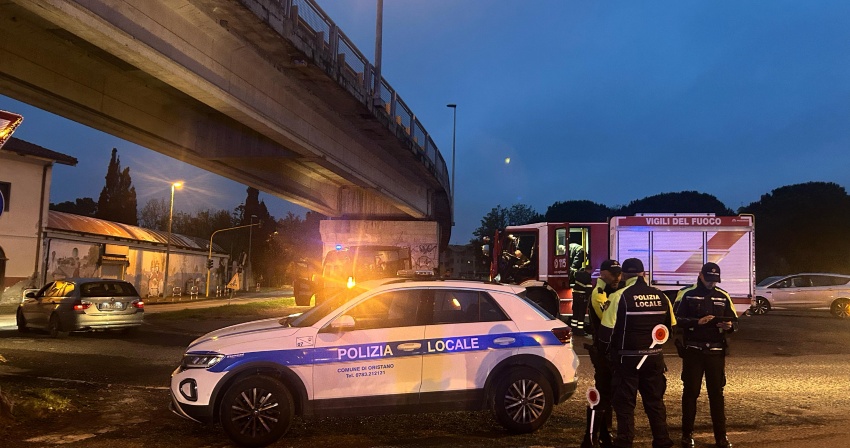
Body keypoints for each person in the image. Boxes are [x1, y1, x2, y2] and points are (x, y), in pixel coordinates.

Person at [597, 258, 676, 448]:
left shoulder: (619, 297)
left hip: (627, 360)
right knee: (655, 403)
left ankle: (624, 441)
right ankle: (662, 440)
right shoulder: (662, 297)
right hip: (654, 358)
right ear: (644, 274)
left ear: (623, 275)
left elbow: (605, 335)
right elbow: (669, 329)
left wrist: (605, 355)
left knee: (625, 405)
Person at [674, 262, 737, 448]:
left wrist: (730, 326)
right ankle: (686, 435)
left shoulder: (723, 296)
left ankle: (721, 437)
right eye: (709, 279)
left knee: (716, 395)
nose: (711, 284)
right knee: (690, 394)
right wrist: (697, 322)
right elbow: (675, 319)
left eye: (715, 280)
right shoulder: (686, 294)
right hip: (694, 351)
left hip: (716, 353)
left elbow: (735, 322)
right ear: (701, 275)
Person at [581, 259, 622, 448]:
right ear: (602, 273)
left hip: (612, 353)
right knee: (603, 395)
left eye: (619, 273)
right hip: (603, 353)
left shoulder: (614, 292)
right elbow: (609, 319)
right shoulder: (599, 294)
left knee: (611, 396)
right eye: (613, 273)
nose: (617, 277)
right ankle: (591, 438)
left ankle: (606, 435)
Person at [571, 264, 593, 337]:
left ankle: (574, 329)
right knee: (581, 313)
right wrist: (588, 297)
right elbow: (588, 289)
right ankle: (580, 330)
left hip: (575, 296)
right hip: (582, 297)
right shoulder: (587, 277)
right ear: (589, 270)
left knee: (575, 312)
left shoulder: (578, 275)